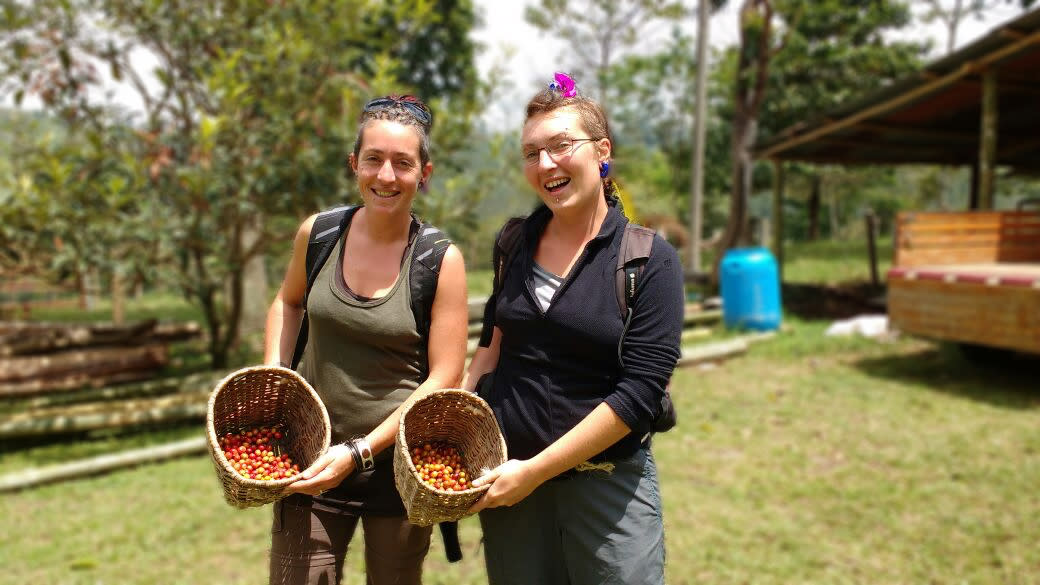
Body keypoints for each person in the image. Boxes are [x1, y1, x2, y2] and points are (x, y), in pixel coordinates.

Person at [462, 74, 684, 585]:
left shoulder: (647, 260)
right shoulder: (514, 242)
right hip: (509, 480)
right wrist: (458, 412)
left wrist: (535, 471)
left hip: (605, 488)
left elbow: (640, 394)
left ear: (601, 151)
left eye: (561, 146)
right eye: (531, 152)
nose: (545, 165)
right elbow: (493, 343)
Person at [263, 94, 468, 585]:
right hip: (309, 455)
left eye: (403, 163)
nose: (386, 176)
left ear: (425, 172)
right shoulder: (319, 234)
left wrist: (359, 453)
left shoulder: (439, 260)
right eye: (373, 159)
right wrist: (272, 375)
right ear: (355, 163)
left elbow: (445, 375)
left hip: (398, 470)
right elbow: (288, 302)